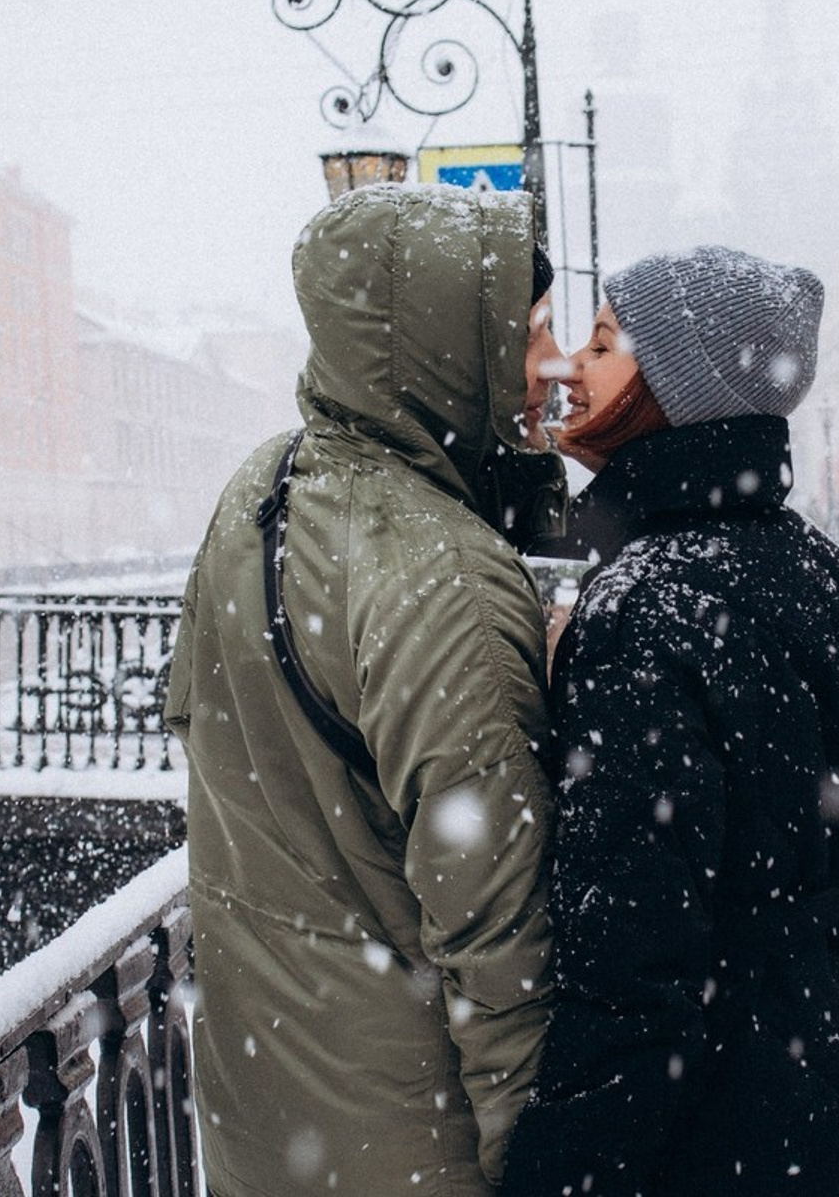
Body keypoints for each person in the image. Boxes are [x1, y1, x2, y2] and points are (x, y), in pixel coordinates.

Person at [502, 247, 839, 1195]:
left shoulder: (645, 609)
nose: (570, 369)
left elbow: (634, 966)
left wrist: (561, 1174)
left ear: (679, 385)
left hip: (735, 1105)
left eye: (605, 344)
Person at [163, 183, 567, 1197]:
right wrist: (539, 1163)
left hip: (268, 1111)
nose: (547, 363)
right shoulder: (445, 578)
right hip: (411, 1135)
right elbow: (500, 936)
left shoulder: (259, 489)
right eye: (524, 333)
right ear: (441, 344)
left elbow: (197, 721)